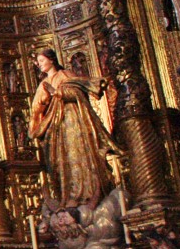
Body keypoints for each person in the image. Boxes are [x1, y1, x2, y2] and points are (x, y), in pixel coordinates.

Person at [28, 49, 121, 210]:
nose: (39, 65)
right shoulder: (43, 84)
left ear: (51, 60)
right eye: (38, 62)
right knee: (62, 161)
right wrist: (41, 105)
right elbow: (37, 108)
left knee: (79, 155)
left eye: (42, 61)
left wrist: (57, 93)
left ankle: (87, 193)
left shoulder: (65, 75)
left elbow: (78, 93)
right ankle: (69, 195)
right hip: (56, 127)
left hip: (73, 121)